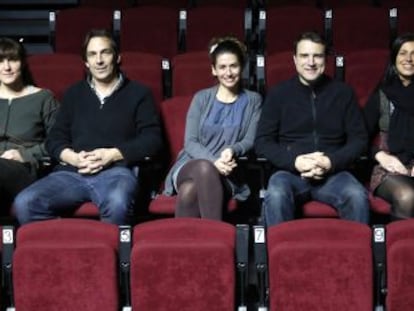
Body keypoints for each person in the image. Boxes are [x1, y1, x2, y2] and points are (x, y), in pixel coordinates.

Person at [14, 29, 162, 225]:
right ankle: (72, 246)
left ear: (117, 57)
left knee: (117, 203)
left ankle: (104, 253)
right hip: (72, 172)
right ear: (86, 62)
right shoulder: (73, 94)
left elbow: (152, 140)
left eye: (105, 52)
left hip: (116, 171)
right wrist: (72, 158)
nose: (99, 60)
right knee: (24, 203)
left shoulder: (139, 93)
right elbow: (55, 139)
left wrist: (111, 154)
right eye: (92, 54)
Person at [255, 31, 369, 227]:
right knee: (275, 194)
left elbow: (359, 140)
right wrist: (296, 162)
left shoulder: (343, 93)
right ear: (295, 59)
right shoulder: (278, 94)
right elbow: (262, 142)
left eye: (317, 55)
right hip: (289, 173)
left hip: (334, 174)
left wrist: (330, 161)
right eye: (304, 56)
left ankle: (356, 256)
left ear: (325, 59)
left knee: (357, 195)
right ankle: (278, 256)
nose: (311, 62)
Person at [163, 36, 262, 220]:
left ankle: (186, 246)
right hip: (190, 165)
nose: (229, 72)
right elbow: (190, 142)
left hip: (229, 172)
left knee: (189, 192)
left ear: (242, 67)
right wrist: (214, 162)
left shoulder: (253, 100)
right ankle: (217, 236)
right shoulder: (201, 98)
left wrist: (232, 149)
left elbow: (249, 140)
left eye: (234, 66)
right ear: (214, 70)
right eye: (222, 67)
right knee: (204, 168)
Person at [0, 37, 58, 215]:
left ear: (23, 63)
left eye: (13, 60)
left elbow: (59, 142)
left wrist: (25, 154)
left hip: (25, 169)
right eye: (0, 61)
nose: (7, 67)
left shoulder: (43, 98)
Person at [363, 33, 414, 220]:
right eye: (403, 53)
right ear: (394, 59)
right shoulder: (382, 95)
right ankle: (402, 248)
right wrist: (380, 155)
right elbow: (358, 137)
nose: (408, 59)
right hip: (389, 167)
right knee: (407, 196)